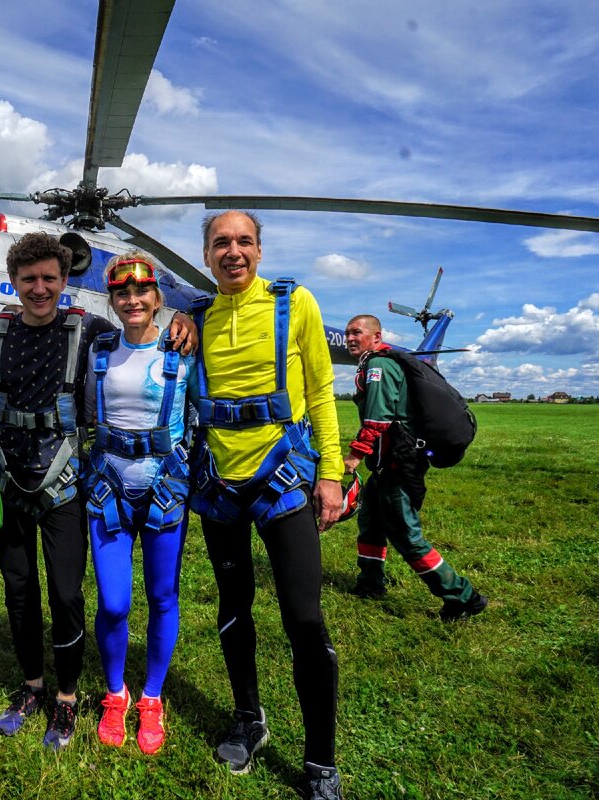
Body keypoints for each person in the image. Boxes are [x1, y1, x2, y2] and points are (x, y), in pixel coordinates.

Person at [0, 232, 195, 751]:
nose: (40, 288)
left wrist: (185, 321)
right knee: (19, 589)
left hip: (64, 485)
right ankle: (32, 686)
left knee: (68, 593)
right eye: (29, 279)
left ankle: (70, 698)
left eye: (50, 278)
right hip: (8, 480)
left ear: (67, 280)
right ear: (14, 282)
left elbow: (141, 328)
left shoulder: (89, 328)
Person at [189, 210, 344, 799]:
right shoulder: (197, 317)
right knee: (234, 607)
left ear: (260, 250)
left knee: (303, 617)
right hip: (221, 486)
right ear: (205, 256)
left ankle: (321, 760)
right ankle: (249, 719)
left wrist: (330, 474)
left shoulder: (294, 302)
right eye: (221, 243)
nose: (234, 252)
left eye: (244, 242)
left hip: (283, 480)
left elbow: (324, 391)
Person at [84, 253, 194, 755]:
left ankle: (151, 696)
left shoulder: (185, 352)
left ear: (158, 298)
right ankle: (115, 692)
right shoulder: (98, 348)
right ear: (112, 300)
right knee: (113, 601)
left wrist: (193, 316)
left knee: (163, 597)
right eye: (123, 293)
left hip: (165, 487)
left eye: (142, 291)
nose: (132, 300)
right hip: (108, 485)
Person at [342, 314, 487, 620]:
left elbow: (379, 418)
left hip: (397, 465)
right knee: (370, 524)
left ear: (376, 337)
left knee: (407, 536)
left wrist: (355, 455)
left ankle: (463, 596)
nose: (350, 338)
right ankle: (370, 583)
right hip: (383, 466)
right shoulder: (378, 363)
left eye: (357, 333)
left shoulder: (379, 366)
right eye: (347, 334)